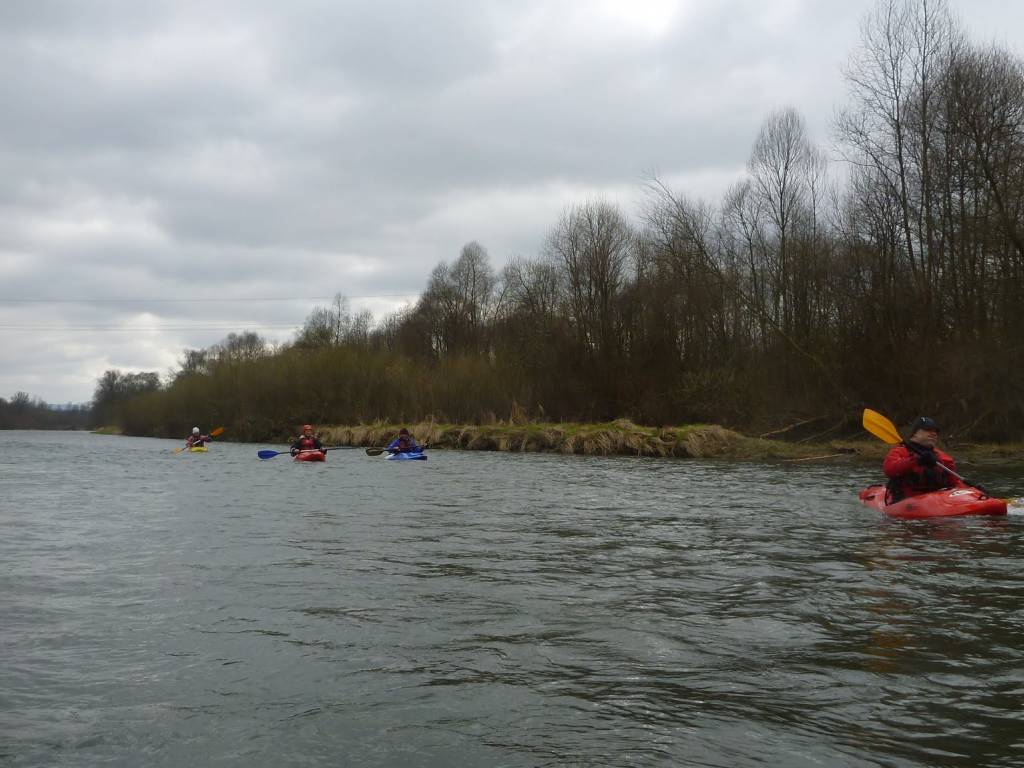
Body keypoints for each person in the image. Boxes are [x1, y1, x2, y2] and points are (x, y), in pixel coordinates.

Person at [883, 416, 963, 501]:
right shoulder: (899, 452)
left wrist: (970, 491)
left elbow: (955, 483)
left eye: (935, 431)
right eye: (928, 429)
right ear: (914, 433)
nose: (934, 433)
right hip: (907, 500)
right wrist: (917, 460)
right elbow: (889, 470)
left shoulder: (943, 457)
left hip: (938, 500)